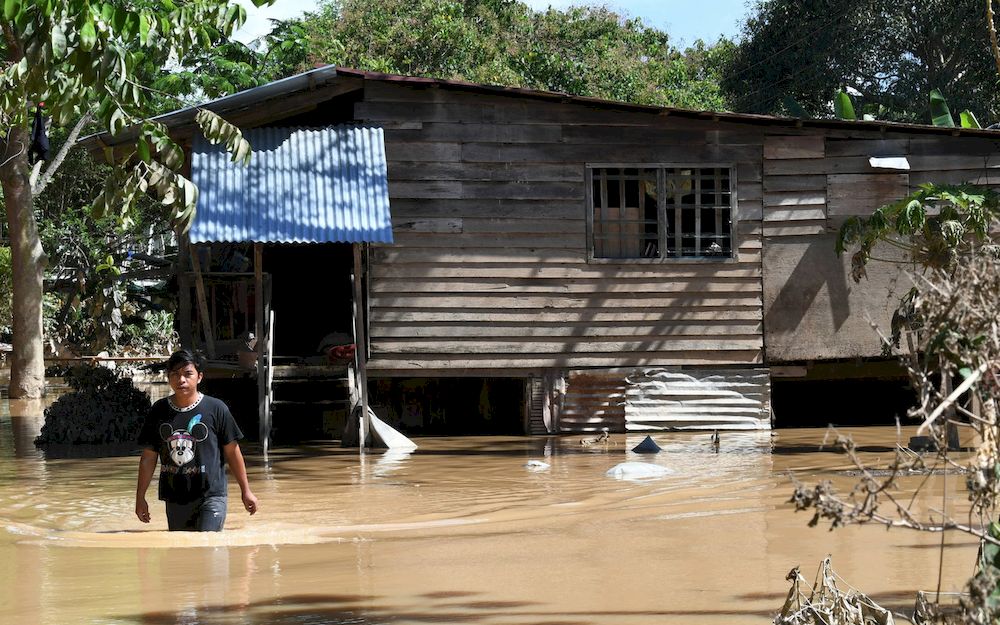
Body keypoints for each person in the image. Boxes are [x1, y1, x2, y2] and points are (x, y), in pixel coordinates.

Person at [135, 349, 259, 531]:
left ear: (199, 377)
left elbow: (232, 452)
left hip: (212, 495)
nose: (181, 380)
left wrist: (246, 491)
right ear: (169, 378)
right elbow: (148, 457)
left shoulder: (217, 409)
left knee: (208, 544)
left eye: (187, 374)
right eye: (175, 375)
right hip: (175, 496)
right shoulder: (159, 411)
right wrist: (140, 498)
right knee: (182, 554)